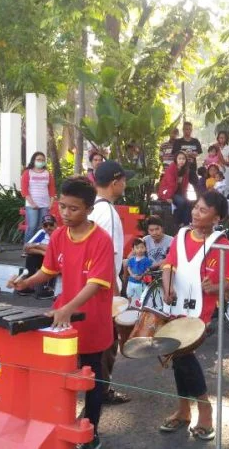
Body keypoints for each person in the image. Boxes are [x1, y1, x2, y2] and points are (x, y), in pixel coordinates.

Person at [9, 177, 115, 449]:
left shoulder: (101, 240)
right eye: (63, 207)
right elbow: (48, 271)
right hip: (63, 322)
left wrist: (69, 307)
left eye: (73, 209)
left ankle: (91, 432)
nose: (66, 214)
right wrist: (26, 281)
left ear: (89, 209)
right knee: (56, 376)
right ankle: (58, 427)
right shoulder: (57, 236)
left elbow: (95, 284)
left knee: (92, 383)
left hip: (92, 322)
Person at [159, 191, 229, 441]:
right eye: (196, 207)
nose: (195, 213)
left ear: (216, 218)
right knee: (179, 360)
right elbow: (168, 266)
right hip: (175, 309)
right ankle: (185, 411)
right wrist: (166, 286)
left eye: (203, 210)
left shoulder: (221, 244)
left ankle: (202, 411)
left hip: (199, 315)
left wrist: (213, 288)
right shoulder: (181, 236)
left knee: (183, 357)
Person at [89, 160, 134, 405]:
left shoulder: (92, 210)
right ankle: (101, 392)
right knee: (107, 344)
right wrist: (116, 299)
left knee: (94, 343)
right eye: (124, 180)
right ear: (115, 183)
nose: (125, 184)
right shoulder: (110, 215)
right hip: (104, 288)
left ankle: (94, 387)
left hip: (87, 286)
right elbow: (110, 260)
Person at [18, 214, 57, 298]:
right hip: (44, 258)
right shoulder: (42, 233)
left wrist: (38, 245)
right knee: (31, 257)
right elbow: (26, 247)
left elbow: (53, 251)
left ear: (56, 224)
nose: (48, 227)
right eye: (45, 225)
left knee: (51, 258)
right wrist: (42, 252)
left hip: (59, 261)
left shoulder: (59, 233)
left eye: (51, 224)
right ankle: (29, 286)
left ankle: (47, 289)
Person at [21, 151, 56, 243]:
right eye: (38, 159)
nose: (40, 161)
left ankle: (37, 247)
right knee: (32, 226)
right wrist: (32, 203)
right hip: (32, 205)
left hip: (45, 205)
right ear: (33, 160)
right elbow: (24, 190)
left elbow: (52, 190)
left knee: (42, 227)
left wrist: (51, 204)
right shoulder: (27, 173)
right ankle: (27, 248)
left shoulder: (48, 173)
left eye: (43, 160)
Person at [158, 151, 192, 226]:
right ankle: (177, 222)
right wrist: (168, 197)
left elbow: (185, 185)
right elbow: (171, 184)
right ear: (176, 159)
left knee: (188, 203)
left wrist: (185, 195)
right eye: (179, 158)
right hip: (169, 192)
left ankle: (186, 224)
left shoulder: (185, 170)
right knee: (181, 202)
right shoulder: (171, 168)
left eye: (183, 159)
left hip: (178, 192)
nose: (181, 161)